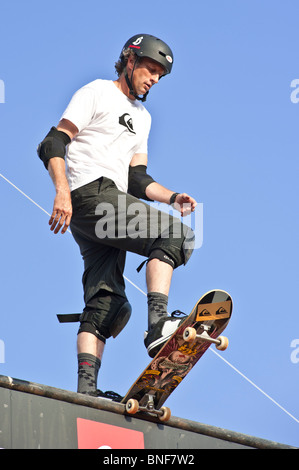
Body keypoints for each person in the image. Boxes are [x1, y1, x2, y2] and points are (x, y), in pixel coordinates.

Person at [37, 34, 197, 400]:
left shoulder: (144, 118)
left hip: (107, 209)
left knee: (108, 306)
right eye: (151, 70)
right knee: (176, 236)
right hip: (92, 195)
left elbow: (138, 179)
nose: (154, 79)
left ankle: (86, 393)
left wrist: (171, 197)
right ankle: (158, 326)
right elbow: (53, 142)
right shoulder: (96, 92)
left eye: (160, 75)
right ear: (130, 61)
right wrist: (62, 190)